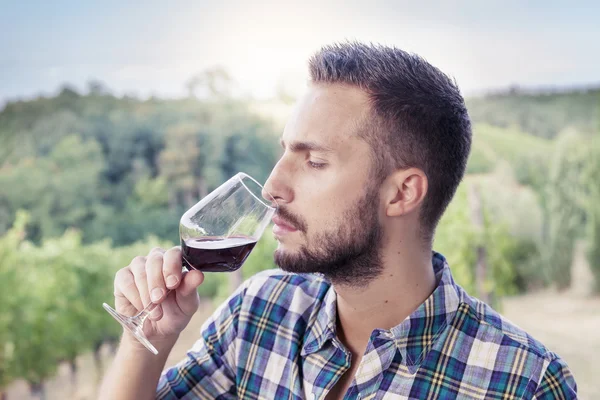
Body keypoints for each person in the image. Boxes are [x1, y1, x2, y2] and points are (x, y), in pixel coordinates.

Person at [99, 42, 577, 399]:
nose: (272, 187)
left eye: (314, 161)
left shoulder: (523, 382)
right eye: (285, 151)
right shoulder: (258, 313)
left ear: (402, 193)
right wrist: (148, 342)